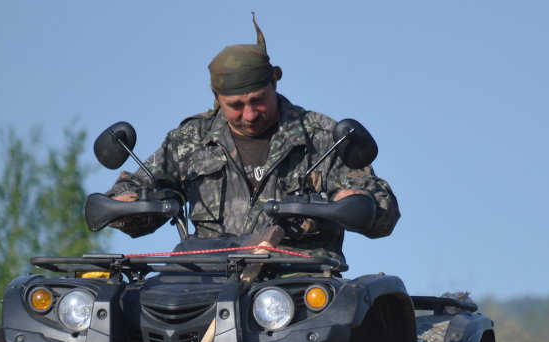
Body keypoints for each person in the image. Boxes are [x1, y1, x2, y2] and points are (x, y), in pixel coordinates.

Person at [107, 15, 399, 259]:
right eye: (235, 105)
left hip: (299, 289)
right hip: (206, 287)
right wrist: (126, 205)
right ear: (217, 98)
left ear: (274, 80)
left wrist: (358, 200)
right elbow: (134, 190)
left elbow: (382, 208)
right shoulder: (189, 141)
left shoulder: (322, 138)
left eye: (257, 100)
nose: (249, 114)